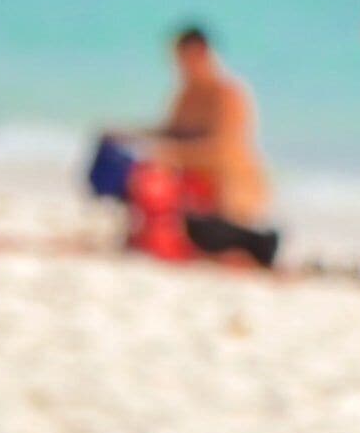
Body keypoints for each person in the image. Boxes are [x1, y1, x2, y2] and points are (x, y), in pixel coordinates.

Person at [90, 25, 281, 269]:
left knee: (152, 182)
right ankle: (147, 236)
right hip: (189, 176)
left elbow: (223, 150)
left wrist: (169, 154)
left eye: (181, 59)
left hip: (224, 190)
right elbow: (171, 132)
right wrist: (128, 134)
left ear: (200, 53)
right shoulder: (188, 91)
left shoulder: (229, 94)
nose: (178, 66)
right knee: (125, 165)